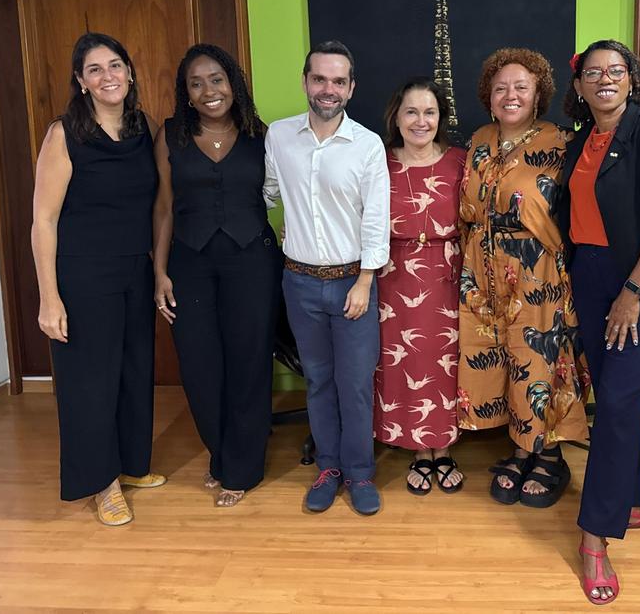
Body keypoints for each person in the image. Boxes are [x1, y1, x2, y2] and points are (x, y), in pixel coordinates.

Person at [560, 39, 640, 605]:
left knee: (613, 405)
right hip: (590, 278)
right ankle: (632, 498)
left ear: (631, 79)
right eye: (594, 73)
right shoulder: (579, 141)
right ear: (580, 85)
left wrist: (632, 291)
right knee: (616, 396)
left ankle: (594, 537)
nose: (605, 80)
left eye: (615, 70)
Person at [31, 32, 165, 527]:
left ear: (129, 72)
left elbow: (157, 205)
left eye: (115, 65)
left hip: (134, 269)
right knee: (91, 383)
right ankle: (101, 483)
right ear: (81, 81)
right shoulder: (64, 134)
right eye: (95, 69)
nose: (108, 76)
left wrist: (156, 270)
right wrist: (49, 298)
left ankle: (129, 466)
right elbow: (43, 220)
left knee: (133, 371)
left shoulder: (143, 128)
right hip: (83, 274)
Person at [457, 47, 591, 508]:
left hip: (536, 268)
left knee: (536, 358)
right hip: (482, 267)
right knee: (496, 356)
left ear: (538, 94)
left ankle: (548, 453)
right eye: (500, 88)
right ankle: (519, 448)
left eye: (521, 87)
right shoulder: (478, 140)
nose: (510, 95)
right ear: (488, 97)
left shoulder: (561, 142)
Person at [152, 43, 282, 508]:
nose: (209, 90)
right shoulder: (171, 136)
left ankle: (242, 469)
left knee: (249, 363)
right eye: (196, 83)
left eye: (217, 79)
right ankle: (220, 453)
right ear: (185, 93)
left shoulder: (261, 135)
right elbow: (164, 207)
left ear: (233, 84)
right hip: (190, 264)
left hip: (253, 263)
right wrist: (159, 271)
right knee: (200, 366)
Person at [264, 40, 390, 515]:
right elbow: (268, 192)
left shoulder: (367, 145)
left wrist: (365, 281)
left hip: (351, 283)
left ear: (351, 88)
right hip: (298, 282)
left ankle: (359, 473)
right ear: (305, 82)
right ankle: (328, 468)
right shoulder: (279, 136)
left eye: (338, 81)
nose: (328, 89)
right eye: (319, 79)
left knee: (354, 384)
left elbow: (375, 219)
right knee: (317, 381)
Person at [372, 77, 466, 495]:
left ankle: (443, 447)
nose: (420, 121)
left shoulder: (461, 161)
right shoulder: (377, 160)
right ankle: (417, 450)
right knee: (404, 360)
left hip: (449, 273)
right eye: (411, 111)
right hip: (392, 274)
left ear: (441, 117)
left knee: (445, 358)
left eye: (430, 112)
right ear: (396, 117)